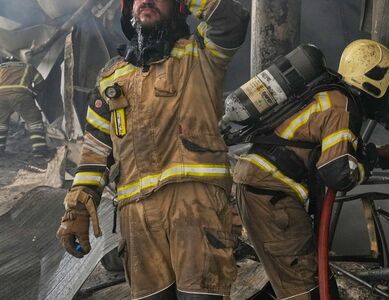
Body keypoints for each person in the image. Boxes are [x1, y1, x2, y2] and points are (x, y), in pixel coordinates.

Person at [55, 0, 249, 299]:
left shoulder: (201, 55)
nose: (145, 1)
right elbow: (95, 151)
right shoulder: (110, 78)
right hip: (137, 218)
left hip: (195, 207)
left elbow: (231, 21)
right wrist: (77, 208)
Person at [231, 39, 389, 300]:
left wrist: (373, 155)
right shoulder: (342, 107)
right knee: (305, 289)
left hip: (260, 188)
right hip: (272, 197)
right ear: (373, 81)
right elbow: (337, 173)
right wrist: (366, 165)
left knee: (292, 280)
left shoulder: (329, 96)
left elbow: (326, 149)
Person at [0, 56, 47, 156]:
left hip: (1, 96)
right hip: (21, 95)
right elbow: (40, 83)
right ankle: (39, 152)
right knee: (34, 120)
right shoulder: (28, 67)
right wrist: (34, 94)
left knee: (1, 124)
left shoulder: (1, 67)